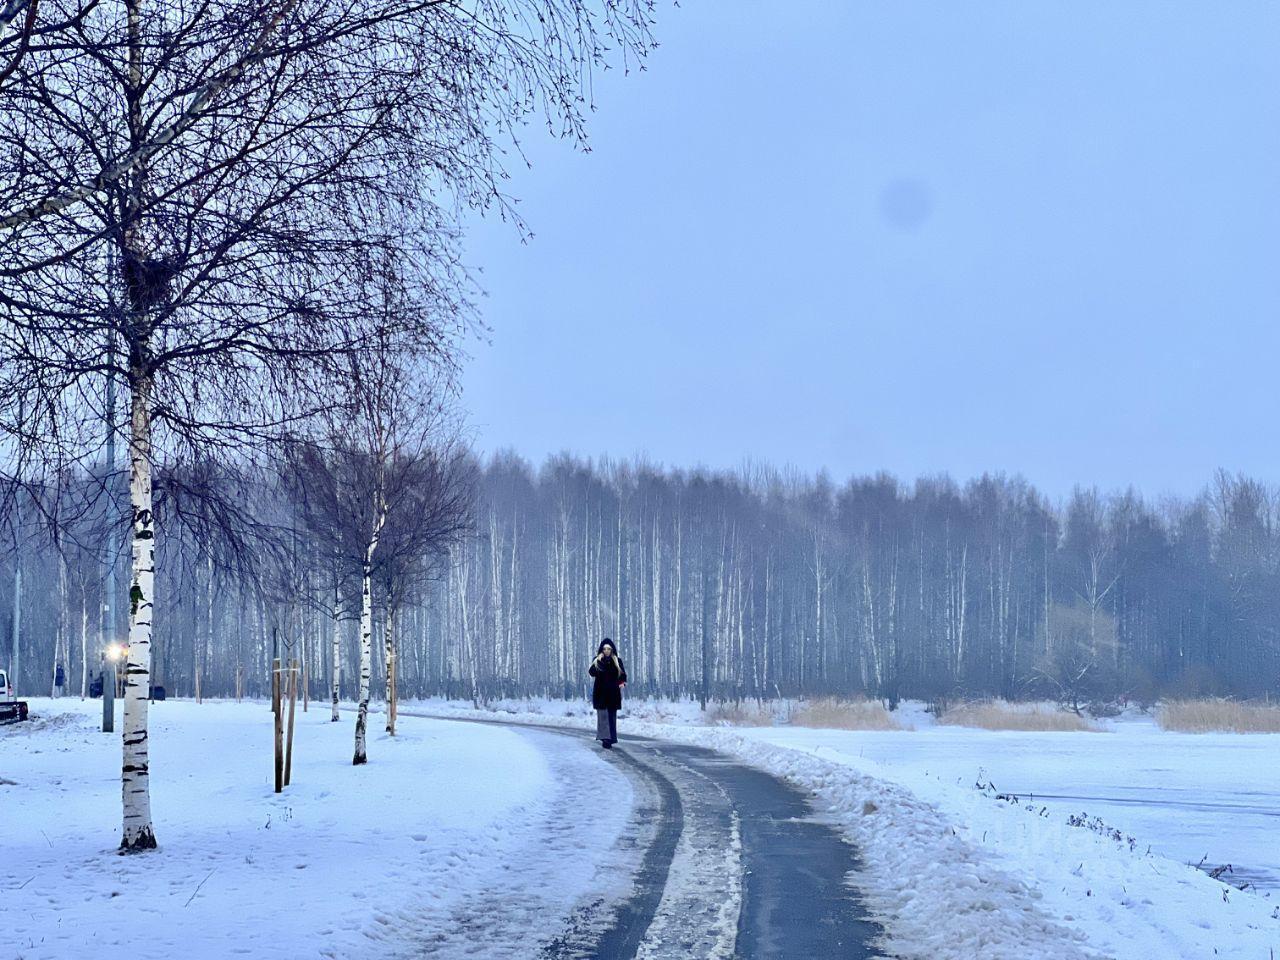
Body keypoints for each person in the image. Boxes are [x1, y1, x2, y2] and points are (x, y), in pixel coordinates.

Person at [588, 639, 626, 749]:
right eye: (604, 649)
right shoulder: (597, 660)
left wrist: (622, 683)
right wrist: (597, 661)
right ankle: (605, 739)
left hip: (613, 694)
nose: (606, 651)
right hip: (600, 694)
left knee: (611, 717)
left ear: (612, 649)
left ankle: (611, 738)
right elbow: (591, 673)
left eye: (608, 649)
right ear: (601, 649)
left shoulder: (617, 661)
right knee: (602, 718)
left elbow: (623, 675)